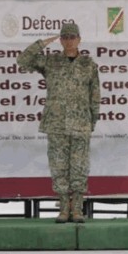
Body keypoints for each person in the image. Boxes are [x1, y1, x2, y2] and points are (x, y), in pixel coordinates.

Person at [17, 23, 100, 223]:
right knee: (59, 166)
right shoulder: (50, 62)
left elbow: (95, 96)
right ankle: (64, 208)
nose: (69, 40)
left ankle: (77, 208)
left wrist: (91, 122)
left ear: (79, 39)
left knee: (79, 167)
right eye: (65, 37)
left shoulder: (89, 64)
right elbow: (22, 60)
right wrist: (42, 42)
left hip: (81, 124)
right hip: (56, 124)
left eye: (72, 37)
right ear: (61, 41)